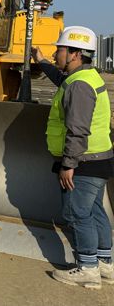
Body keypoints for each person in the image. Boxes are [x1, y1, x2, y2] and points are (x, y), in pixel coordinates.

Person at [33, 26, 114, 288]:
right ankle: (105, 263)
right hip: (99, 158)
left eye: (60, 50)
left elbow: (78, 129)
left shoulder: (79, 86)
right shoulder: (85, 77)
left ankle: (87, 268)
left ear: (75, 54)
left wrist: (68, 164)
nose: (57, 53)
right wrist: (42, 61)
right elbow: (62, 80)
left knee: (77, 213)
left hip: (83, 161)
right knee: (94, 211)